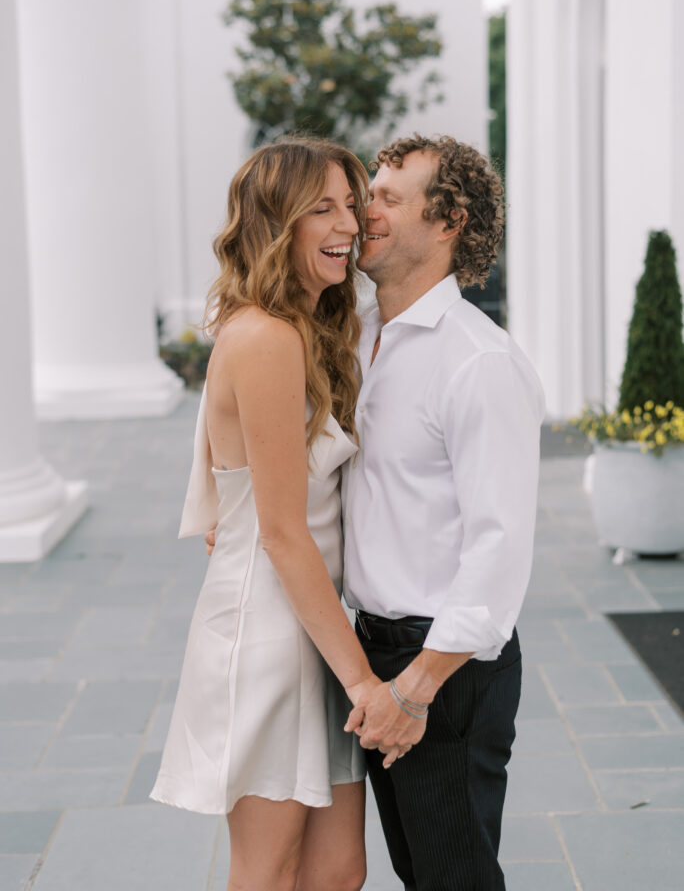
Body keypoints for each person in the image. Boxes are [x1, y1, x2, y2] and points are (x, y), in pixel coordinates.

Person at [150, 137, 414, 891]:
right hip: (270, 628)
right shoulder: (264, 337)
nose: (348, 226)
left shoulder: (309, 328)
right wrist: (367, 684)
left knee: (337, 870)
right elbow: (281, 531)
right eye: (321, 209)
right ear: (277, 223)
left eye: (350, 206)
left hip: (317, 624)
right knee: (270, 871)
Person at [342, 134, 545, 891]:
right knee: (421, 872)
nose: (368, 211)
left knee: (453, 878)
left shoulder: (479, 361)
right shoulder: (361, 336)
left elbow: (500, 546)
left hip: (444, 672)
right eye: (370, 194)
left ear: (450, 219)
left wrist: (415, 689)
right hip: (375, 655)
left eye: (390, 198)